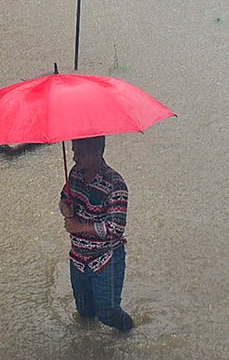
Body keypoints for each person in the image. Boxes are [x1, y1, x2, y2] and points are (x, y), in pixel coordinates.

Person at [59, 136, 133, 333]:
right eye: (74, 152)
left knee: (108, 313)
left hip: (106, 260)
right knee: (84, 311)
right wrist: (65, 207)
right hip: (77, 259)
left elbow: (115, 229)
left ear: (98, 153)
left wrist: (79, 227)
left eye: (80, 153)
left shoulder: (115, 184)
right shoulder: (74, 174)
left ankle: (129, 330)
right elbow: (64, 198)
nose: (75, 158)